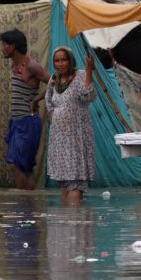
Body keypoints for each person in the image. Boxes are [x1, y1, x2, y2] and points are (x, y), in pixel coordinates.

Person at [0, 29, 51, 190]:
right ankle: (27, 210)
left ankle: (22, 208)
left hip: (27, 122)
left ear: (13, 46)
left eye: (4, 45)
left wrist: (37, 99)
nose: (2, 48)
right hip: (17, 122)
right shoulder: (16, 66)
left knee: (18, 165)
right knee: (24, 168)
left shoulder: (31, 66)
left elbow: (54, 82)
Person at [45, 46, 97, 203]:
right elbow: (48, 102)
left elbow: (88, 96)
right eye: (57, 60)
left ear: (71, 61)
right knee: (63, 181)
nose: (60, 64)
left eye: (64, 60)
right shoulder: (53, 80)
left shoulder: (80, 75)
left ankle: (74, 222)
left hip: (76, 135)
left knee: (74, 180)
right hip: (59, 137)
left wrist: (89, 71)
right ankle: (63, 224)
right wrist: (56, 118)